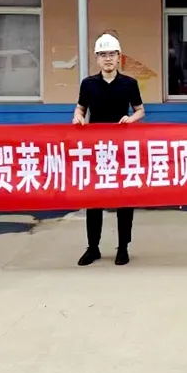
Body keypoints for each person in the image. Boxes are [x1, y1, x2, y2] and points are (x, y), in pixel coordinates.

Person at [74, 33, 145, 267]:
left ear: (119, 57)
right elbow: (80, 109)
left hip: (122, 149)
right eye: (103, 54)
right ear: (97, 58)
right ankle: (93, 247)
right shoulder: (88, 84)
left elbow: (140, 110)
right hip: (96, 150)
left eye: (112, 54)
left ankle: (123, 247)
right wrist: (78, 118)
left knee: (124, 199)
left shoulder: (129, 83)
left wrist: (131, 119)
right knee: (94, 199)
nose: (107, 59)